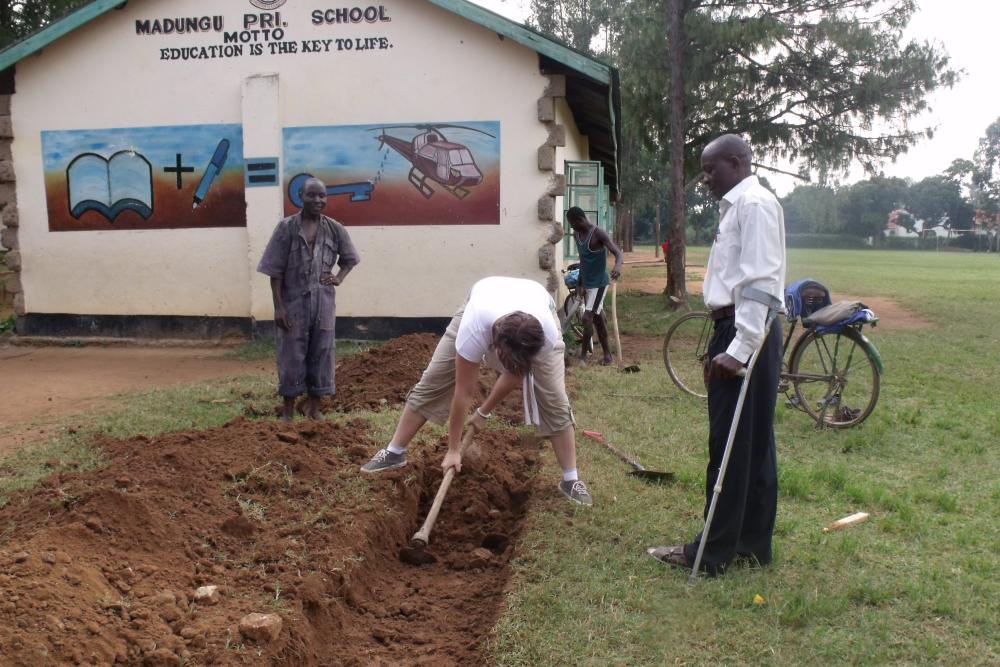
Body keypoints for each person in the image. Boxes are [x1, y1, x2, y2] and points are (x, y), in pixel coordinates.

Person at [648, 134, 785, 576]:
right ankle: (750, 542)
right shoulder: (737, 206)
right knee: (753, 441)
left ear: (738, 161)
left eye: (712, 169)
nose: (705, 178)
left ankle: (710, 551)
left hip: (747, 329)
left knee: (729, 443)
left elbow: (761, 282)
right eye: (704, 170)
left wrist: (739, 349)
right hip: (740, 325)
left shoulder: (755, 205)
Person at [359, 276, 593, 506]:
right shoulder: (474, 328)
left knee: (554, 396)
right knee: (434, 379)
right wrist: (453, 450)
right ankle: (394, 452)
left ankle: (571, 479)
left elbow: (517, 372)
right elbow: (463, 392)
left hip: (537, 305)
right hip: (481, 299)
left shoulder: (544, 335)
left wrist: (483, 412)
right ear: (496, 345)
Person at [257, 177, 360, 421]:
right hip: (293, 304)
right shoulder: (286, 228)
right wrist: (278, 308)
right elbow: (274, 271)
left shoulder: (335, 228)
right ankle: (288, 411)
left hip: (323, 304)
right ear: (300, 197)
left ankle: (314, 409)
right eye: (311, 195)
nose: (317, 200)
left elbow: (350, 259)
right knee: (291, 353)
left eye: (322, 196)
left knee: (322, 352)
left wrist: (339, 277)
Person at [566, 207, 623, 365]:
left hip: (600, 284)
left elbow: (618, 253)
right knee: (598, 320)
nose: (571, 227)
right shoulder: (577, 235)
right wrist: (579, 283)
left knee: (587, 317)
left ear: (580, 220)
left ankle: (583, 358)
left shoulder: (598, 234)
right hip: (587, 283)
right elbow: (583, 260)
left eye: (572, 223)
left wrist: (617, 268)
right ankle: (608, 356)